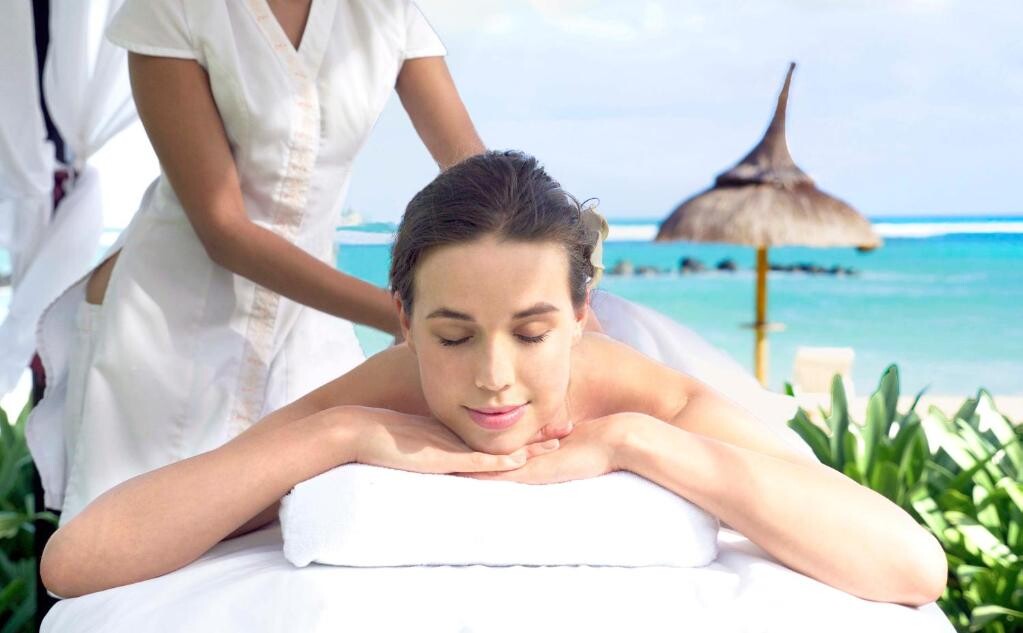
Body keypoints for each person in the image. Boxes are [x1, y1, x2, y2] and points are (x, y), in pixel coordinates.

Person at [40, 150, 947, 607]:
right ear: (403, 319)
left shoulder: (649, 398)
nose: (493, 377)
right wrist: (334, 434)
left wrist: (633, 440)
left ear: (581, 314)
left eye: (532, 330)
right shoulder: (380, 393)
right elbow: (75, 562)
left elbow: (911, 566)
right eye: (452, 334)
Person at [28, 0, 492, 528]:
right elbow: (223, 230)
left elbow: (476, 179)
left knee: (312, 543)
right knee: (136, 545)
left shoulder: (385, 10)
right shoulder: (173, 8)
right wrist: (412, 318)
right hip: (170, 332)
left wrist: (536, 283)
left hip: (310, 327)